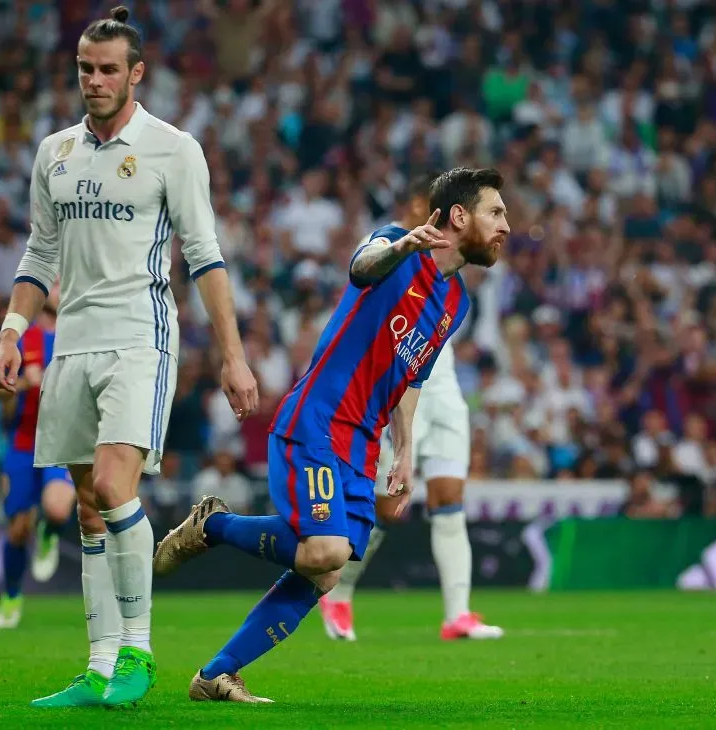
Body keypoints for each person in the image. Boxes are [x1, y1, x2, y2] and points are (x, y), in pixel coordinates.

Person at [154, 167, 510, 702]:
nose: (506, 225)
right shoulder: (394, 242)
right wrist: (402, 247)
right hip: (318, 421)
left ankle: (216, 675)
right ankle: (216, 525)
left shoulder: (456, 302)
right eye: (496, 213)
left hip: (365, 445)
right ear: (459, 216)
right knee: (324, 550)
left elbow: (413, 375)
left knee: (326, 572)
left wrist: (405, 451)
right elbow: (360, 269)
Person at [0, 6, 258, 709]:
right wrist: (13, 328)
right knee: (85, 504)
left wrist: (233, 356)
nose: (95, 79)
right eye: (86, 68)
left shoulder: (172, 148)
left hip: (142, 335)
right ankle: (99, 667)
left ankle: (138, 648)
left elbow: (205, 255)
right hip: (71, 338)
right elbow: (39, 253)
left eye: (109, 69)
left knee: (112, 486)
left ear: (137, 73)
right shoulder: (54, 152)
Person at [319, 175, 504, 641]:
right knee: (388, 505)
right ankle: (338, 593)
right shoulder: (398, 247)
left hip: (440, 386)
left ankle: (457, 613)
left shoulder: (456, 288)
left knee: (449, 498)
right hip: (400, 385)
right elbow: (361, 275)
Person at [0, 288, 77, 629]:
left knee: (57, 508)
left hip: (63, 440)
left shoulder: (81, 330)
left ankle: (50, 531)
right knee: (16, 529)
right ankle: (11, 597)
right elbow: (0, 396)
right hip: (25, 442)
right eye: (53, 280)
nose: (57, 286)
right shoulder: (20, 336)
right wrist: (22, 385)